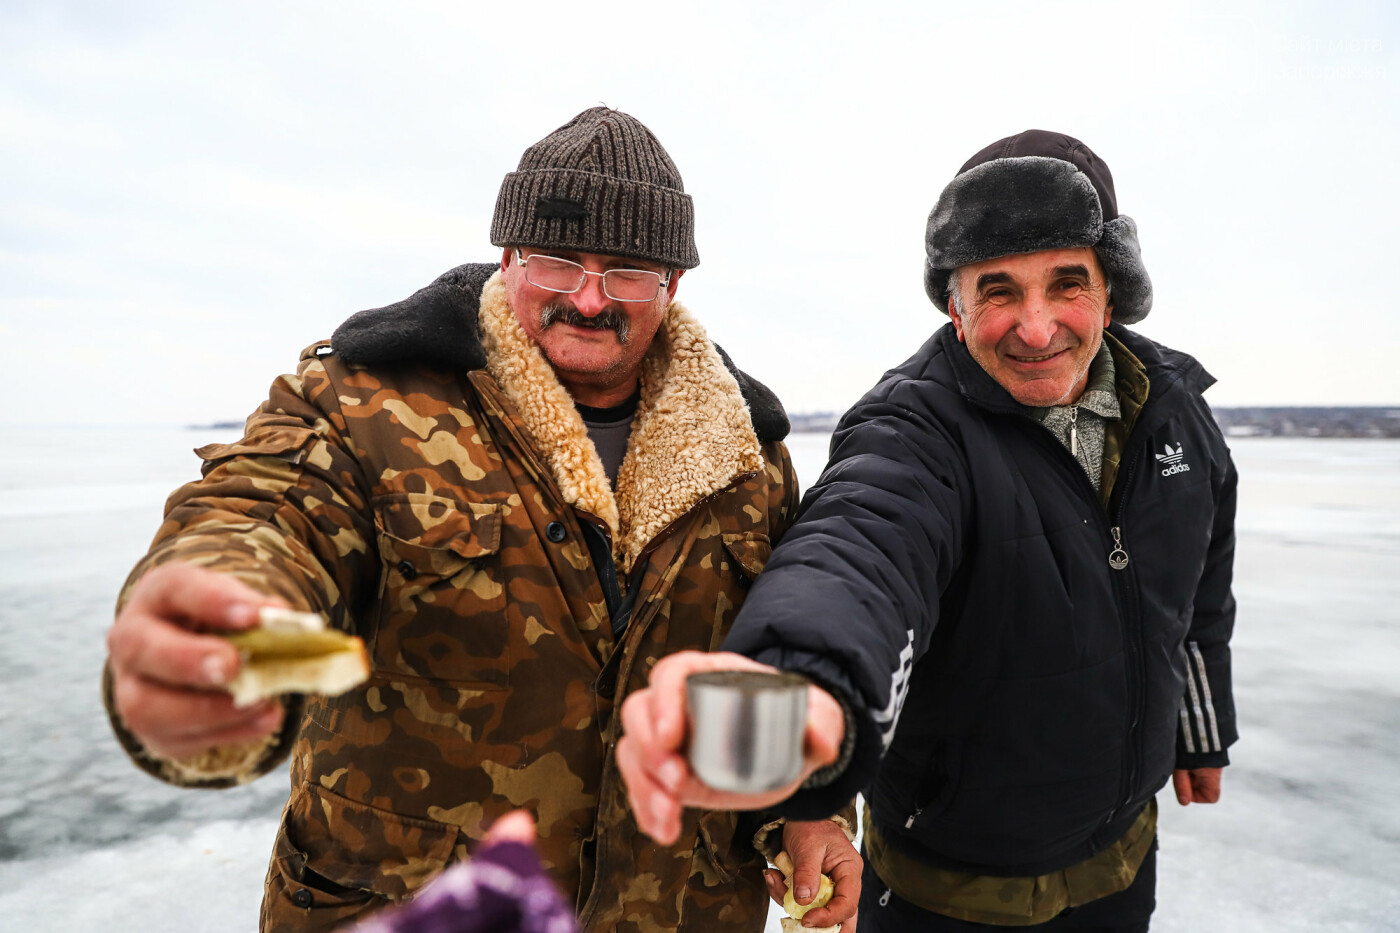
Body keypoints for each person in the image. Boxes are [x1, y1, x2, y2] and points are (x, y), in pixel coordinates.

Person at [103, 107, 859, 933]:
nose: (590, 298)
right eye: (558, 261)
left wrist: (807, 808)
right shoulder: (362, 402)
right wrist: (215, 614)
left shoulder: (749, 457)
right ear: (508, 259)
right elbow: (265, 514)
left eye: (631, 272)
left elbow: (784, 658)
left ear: (674, 283)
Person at [617, 129, 1239, 932]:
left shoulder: (1174, 408)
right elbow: (860, 553)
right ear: (954, 303)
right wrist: (801, 694)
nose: (1038, 326)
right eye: (999, 290)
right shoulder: (914, 427)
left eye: (1066, 283)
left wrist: (1198, 727)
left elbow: (1197, 589)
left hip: (1120, 858)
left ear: (1112, 291)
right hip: (948, 889)